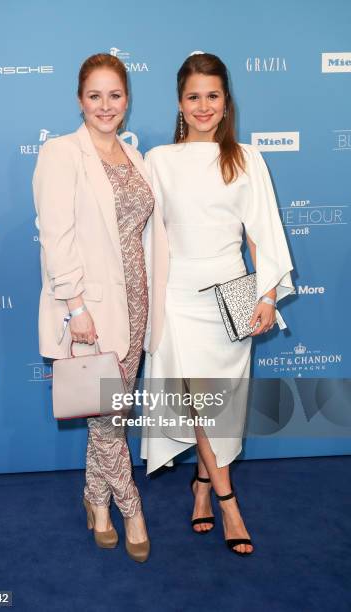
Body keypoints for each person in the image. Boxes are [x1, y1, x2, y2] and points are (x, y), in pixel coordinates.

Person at [141, 53, 294, 555]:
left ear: (226, 103)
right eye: (193, 97)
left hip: (230, 295)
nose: (203, 106)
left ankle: (202, 486)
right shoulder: (159, 160)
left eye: (213, 95)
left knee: (220, 404)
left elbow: (262, 233)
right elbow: (144, 237)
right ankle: (227, 500)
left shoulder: (247, 157)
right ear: (179, 104)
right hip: (176, 296)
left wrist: (268, 293)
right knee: (199, 402)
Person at [33, 53, 168, 563]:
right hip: (90, 311)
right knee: (109, 418)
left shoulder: (137, 159)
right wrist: (75, 306)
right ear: (79, 100)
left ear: (127, 100)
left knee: (107, 415)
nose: (105, 106)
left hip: (137, 305)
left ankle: (96, 502)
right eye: (95, 96)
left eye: (115, 95)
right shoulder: (62, 153)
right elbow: (56, 236)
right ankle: (130, 508)